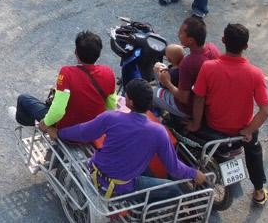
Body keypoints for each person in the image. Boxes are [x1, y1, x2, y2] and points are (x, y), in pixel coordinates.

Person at [52, 79, 206, 201]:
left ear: (130, 102)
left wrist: (59, 133)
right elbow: (174, 168)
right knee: (173, 189)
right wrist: (194, 173)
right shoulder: (159, 131)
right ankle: (142, 212)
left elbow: (82, 132)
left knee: (147, 170)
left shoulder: (111, 117)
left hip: (96, 173)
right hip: (123, 186)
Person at [189, 23, 268, 206]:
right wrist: (249, 130)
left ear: (223, 40)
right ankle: (258, 191)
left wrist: (195, 124)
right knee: (254, 150)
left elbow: (198, 99)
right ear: (246, 46)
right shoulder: (255, 74)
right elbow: (265, 110)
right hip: (241, 133)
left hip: (213, 128)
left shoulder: (209, 67)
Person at [13, 30, 116, 128]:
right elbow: (111, 107)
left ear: (76, 52)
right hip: (92, 127)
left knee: (23, 99)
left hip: (66, 127)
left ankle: (30, 122)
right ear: (98, 54)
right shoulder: (109, 73)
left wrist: (44, 124)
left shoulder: (67, 73)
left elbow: (58, 111)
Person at [152, 17, 220, 118]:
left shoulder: (188, 63)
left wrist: (167, 83)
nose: (178, 35)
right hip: (206, 102)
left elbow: (183, 98)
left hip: (186, 107)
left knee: (150, 91)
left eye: (181, 33)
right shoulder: (212, 48)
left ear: (191, 40)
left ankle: (157, 117)